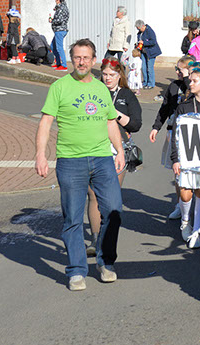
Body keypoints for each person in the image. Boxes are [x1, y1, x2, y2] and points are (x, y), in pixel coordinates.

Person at [35, 39, 124, 291]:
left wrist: (119, 150)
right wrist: (40, 154)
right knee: (73, 217)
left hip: (102, 159)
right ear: (72, 59)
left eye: (86, 58)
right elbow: (46, 122)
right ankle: (76, 271)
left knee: (114, 211)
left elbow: (110, 122)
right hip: (70, 160)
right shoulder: (60, 87)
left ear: (93, 60)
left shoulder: (101, 89)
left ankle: (106, 262)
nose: (81, 62)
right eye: (77, 57)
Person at [85, 57, 142, 256]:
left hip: (117, 149)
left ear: (120, 76)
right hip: (93, 147)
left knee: (110, 197)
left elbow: (135, 124)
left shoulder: (126, 95)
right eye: (105, 74)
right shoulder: (93, 91)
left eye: (112, 75)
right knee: (93, 194)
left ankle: (106, 237)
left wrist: (114, 113)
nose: (107, 78)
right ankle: (95, 240)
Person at [170, 63, 200, 249]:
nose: (190, 83)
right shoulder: (184, 107)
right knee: (185, 193)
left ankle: (197, 231)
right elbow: (175, 134)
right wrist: (175, 159)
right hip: (186, 156)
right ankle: (185, 222)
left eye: (194, 81)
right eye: (190, 80)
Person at [150, 56, 195, 221]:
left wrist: (189, 79)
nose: (176, 72)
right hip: (173, 132)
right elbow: (165, 108)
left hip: (192, 135)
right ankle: (180, 205)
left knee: (196, 172)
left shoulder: (195, 85)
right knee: (177, 173)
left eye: (179, 69)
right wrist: (156, 127)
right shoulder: (173, 86)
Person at [135, 19, 161, 89]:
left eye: (139, 28)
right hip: (143, 51)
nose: (139, 30)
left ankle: (151, 83)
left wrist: (144, 42)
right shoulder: (140, 33)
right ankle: (145, 82)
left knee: (149, 68)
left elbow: (153, 41)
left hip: (151, 52)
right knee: (143, 67)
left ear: (142, 26)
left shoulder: (150, 31)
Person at [50, 0, 69, 71]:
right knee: (52, 46)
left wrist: (52, 21)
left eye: (56, 0)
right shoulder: (62, 8)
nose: (55, 1)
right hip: (59, 30)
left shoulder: (61, 8)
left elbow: (60, 20)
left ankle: (64, 66)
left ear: (58, 1)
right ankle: (58, 63)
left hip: (60, 30)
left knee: (59, 47)